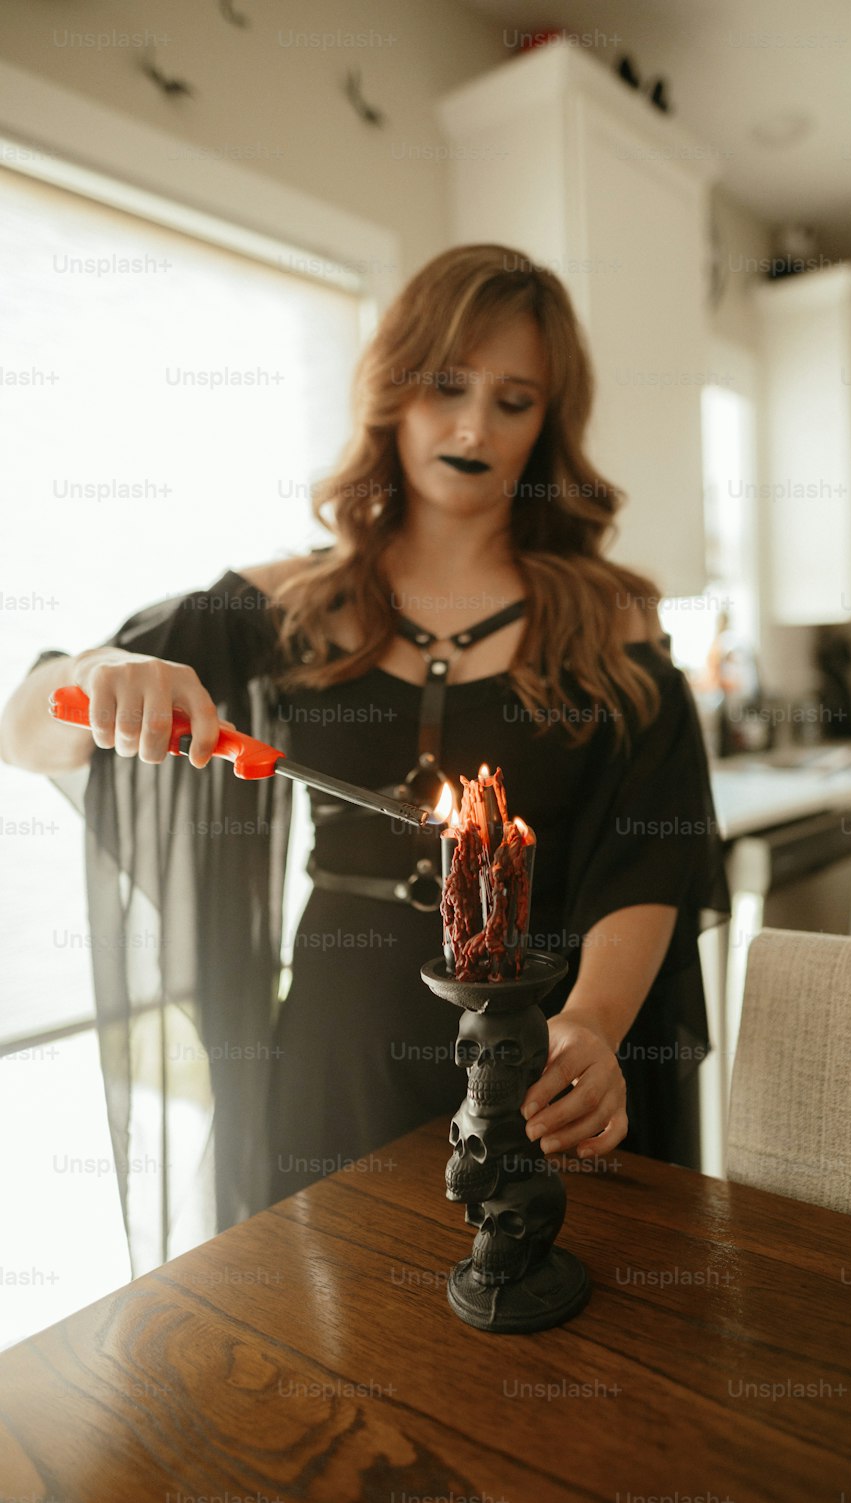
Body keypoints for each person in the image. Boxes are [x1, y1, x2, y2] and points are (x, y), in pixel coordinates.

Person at [1, 244, 730, 1272]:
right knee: (331, 1336)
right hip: (335, 1046)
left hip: (536, 1051)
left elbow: (651, 857)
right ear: (393, 389)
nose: (475, 427)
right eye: (446, 385)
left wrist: (593, 1028)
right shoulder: (289, 599)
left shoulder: (608, 623)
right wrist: (105, 669)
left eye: (514, 400)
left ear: (547, 425)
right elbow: (25, 729)